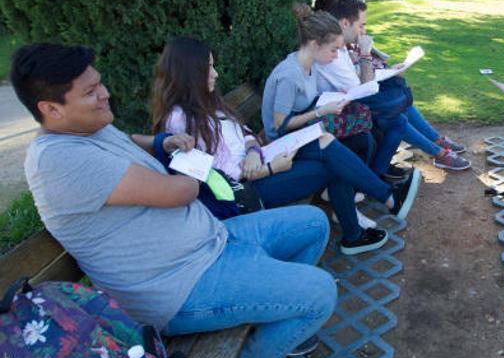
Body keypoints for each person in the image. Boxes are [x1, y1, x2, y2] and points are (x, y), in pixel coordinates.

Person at [13, 42, 335, 358]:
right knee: (320, 293)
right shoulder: (59, 161)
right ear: (50, 109)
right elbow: (181, 190)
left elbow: (130, 143)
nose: (105, 94)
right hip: (178, 285)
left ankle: (275, 314)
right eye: (90, 92)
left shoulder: (88, 129)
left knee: (312, 223)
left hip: (213, 241)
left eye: (99, 84)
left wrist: (163, 142)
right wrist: (196, 165)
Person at [151, 36, 405, 255]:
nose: (215, 73)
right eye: (208, 68)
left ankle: (370, 216)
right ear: (188, 73)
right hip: (250, 188)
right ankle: (379, 207)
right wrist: (269, 168)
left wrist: (252, 151)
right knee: (333, 163)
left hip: (261, 158)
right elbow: (212, 174)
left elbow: (245, 132)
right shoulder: (178, 119)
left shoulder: (207, 102)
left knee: (325, 141)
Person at [261, 6, 421, 222]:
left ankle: (354, 212)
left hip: (305, 132)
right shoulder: (290, 74)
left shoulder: (311, 63)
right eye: (334, 50)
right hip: (285, 145)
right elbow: (279, 125)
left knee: (362, 139)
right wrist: (321, 110)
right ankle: (385, 197)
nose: (337, 55)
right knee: (341, 152)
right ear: (314, 44)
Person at [312, 0, 471, 171]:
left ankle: (437, 144)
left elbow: (361, 83)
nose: (363, 31)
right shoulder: (333, 54)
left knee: (399, 103)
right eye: (361, 26)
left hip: (350, 104)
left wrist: (375, 66)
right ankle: (437, 153)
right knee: (397, 114)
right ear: (345, 23)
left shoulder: (340, 49)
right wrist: (364, 54)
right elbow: (364, 88)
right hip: (340, 113)